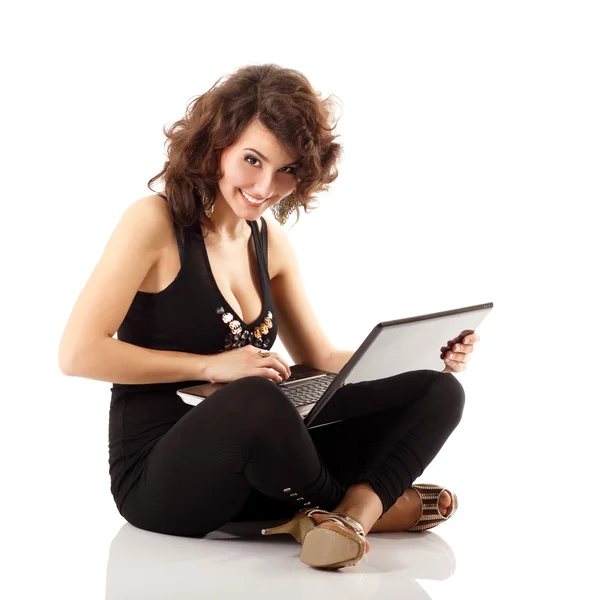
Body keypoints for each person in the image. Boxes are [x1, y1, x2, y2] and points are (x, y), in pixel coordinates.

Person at [58, 63, 479, 570]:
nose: (265, 186)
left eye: (287, 170)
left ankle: (349, 518)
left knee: (439, 391)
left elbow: (320, 357)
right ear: (217, 146)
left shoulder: (269, 241)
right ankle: (367, 507)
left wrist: (422, 359)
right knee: (255, 397)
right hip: (160, 478)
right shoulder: (154, 222)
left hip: (268, 467)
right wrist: (213, 367)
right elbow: (78, 353)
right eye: (252, 160)